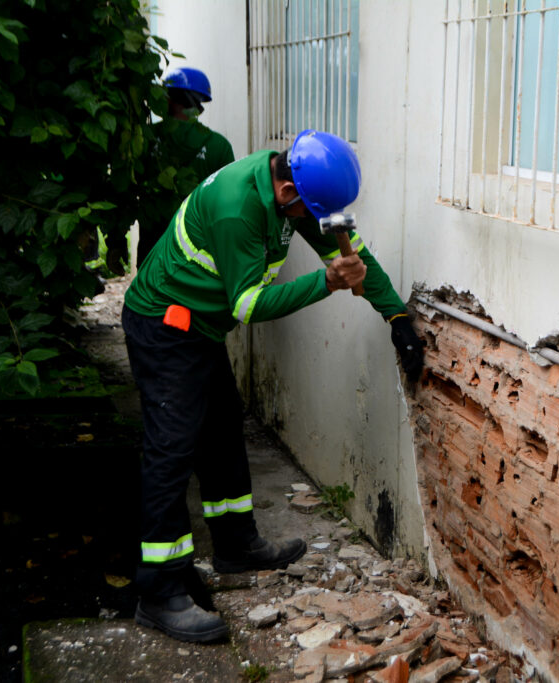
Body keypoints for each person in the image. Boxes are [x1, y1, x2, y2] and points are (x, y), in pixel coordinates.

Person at [121, 129, 425, 642]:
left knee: (221, 428)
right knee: (171, 450)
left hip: (200, 326)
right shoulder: (239, 209)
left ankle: (236, 544)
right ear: (288, 193)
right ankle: (159, 590)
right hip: (164, 326)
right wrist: (325, 282)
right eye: (310, 213)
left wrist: (394, 314)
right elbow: (249, 306)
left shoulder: (296, 187)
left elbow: (354, 254)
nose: (315, 222)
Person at [137, 66, 236, 265]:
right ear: (199, 105)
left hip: (152, 249)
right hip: (197, 252)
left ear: (167, 100)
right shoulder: (219, 146)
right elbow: (229, 202)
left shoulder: (145, 138)